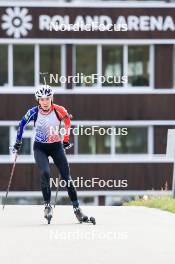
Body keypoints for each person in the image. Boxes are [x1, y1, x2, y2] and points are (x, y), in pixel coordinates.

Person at [12, 85, 88, 223]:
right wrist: (18, 142)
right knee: (45, 173)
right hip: (40, 148)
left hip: (56, 147)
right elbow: (22, 124)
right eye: (42, 99)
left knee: (67, 177)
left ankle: (77, 209)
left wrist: (65, 140)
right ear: (38, 100)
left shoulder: (59, 110)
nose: (45, 102)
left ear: (51, 98)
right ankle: (47, 206)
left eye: (47, 98)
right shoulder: (34, 112)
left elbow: (67, 121)